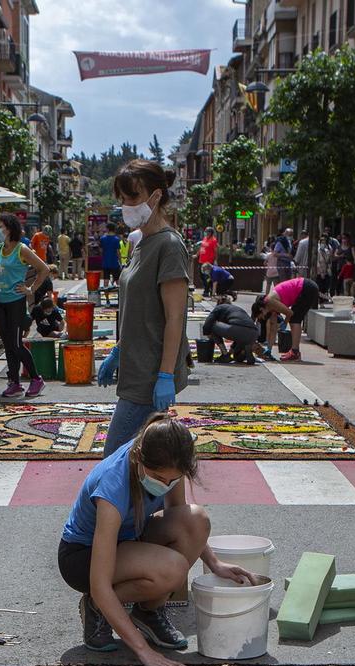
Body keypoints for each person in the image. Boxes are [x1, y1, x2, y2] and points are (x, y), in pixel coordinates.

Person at [59, 415, 258, 666]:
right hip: (81, 558)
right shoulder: (113, 486)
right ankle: (96, 609)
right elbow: (99, 583)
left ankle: (149, 612)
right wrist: (143, 651)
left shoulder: (168, 459)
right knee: (172, 569)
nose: (165, 485)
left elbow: (181, 521)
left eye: (172, 480)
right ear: (139, 457)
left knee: (196, 520)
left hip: (132, 538)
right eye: (158, 478)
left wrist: (214, 563)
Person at [96, 159, 191, 449]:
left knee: (114, 460)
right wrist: (119, 350)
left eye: (133, 197)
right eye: (123, 198)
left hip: (149, 376)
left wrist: (164, 375)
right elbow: (137, 310)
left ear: (156, 195)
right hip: (135, 368)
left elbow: (175, 318)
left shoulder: (169, 246)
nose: (126, 205)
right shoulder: (142, 243)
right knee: (141, 462)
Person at [0, 213, 53, 398]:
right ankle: (14, 382)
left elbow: (44, 269)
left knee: (16, 344)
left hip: (15, 302)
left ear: (9, 229)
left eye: (0, 227)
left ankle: (36, 378)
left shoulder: (21, 249)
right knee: (8, 345)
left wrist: (31, 289)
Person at [254, 272, 324, 362]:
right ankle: (295, 352)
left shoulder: (270, 301)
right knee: (295, 319)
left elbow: (289, 313)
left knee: (294, 320)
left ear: (261, 309)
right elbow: (273, 329)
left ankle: (295, 353)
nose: (262, 318)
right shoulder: (270, 308)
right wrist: (269, 349)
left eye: (260, 316)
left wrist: (285, 323)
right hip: (304, 288)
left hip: (306, 287)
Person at [202, 299, 258, 363]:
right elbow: (237, 335)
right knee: (237, 357)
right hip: (253, 334)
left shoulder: (219, 308)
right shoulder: (237, 309)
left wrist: (208, 334)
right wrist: (230, 353)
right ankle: (245, 350)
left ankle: (224, 354)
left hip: (240, 330)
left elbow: (207, 324)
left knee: (212, 326)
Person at [99, 224, 123, 294]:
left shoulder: (102, 238)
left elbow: (100, 251)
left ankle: (107, 300)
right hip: (114, 262)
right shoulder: (116, 239)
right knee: (117, 281)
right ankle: (120, 299)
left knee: (106, 281)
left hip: (105, 262)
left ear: (108, 229)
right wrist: (120, 262)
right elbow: (118, 252)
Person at [197, 227, 219, 298]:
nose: (206, 233)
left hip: (208, 262)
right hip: (201, 260)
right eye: (206, 232)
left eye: (208, 232)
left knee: (207, 277)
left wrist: (215, 260)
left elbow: (216, 251)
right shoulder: (205, 238)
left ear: (211, 233)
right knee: (201, 275)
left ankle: (206, 291)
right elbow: (201, 248)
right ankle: (208, 288)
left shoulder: (213, 240)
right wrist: (196, 255)